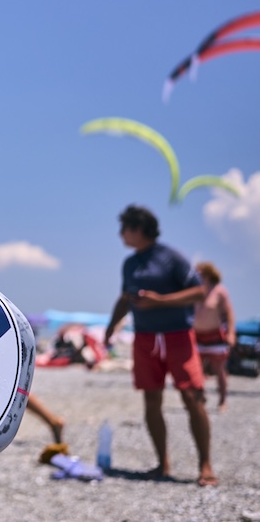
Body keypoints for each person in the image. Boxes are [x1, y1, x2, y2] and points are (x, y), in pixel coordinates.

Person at [103, 205, 217, 487]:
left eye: (124, 228)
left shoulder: (170, 257)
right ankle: (161, 463)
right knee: (151, 400)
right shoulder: (130, 263)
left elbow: (199, 291)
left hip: (178, 336)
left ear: (139, 229)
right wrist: (111, 326)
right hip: (145, 338)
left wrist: (161, 301)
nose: (120, 234)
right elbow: (125, 298)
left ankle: (205, 465)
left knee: (192, 396)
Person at [193, 261, 236, 412]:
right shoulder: (194, 290)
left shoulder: (219, 291)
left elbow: (229, 314)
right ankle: (199, 398)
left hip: (215, 335)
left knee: (219, 369)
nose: (197, 276)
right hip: (197, 335)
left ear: (209, 275)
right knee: (196, 368)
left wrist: (231, 333)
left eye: (201, 274)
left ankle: (222, 400)